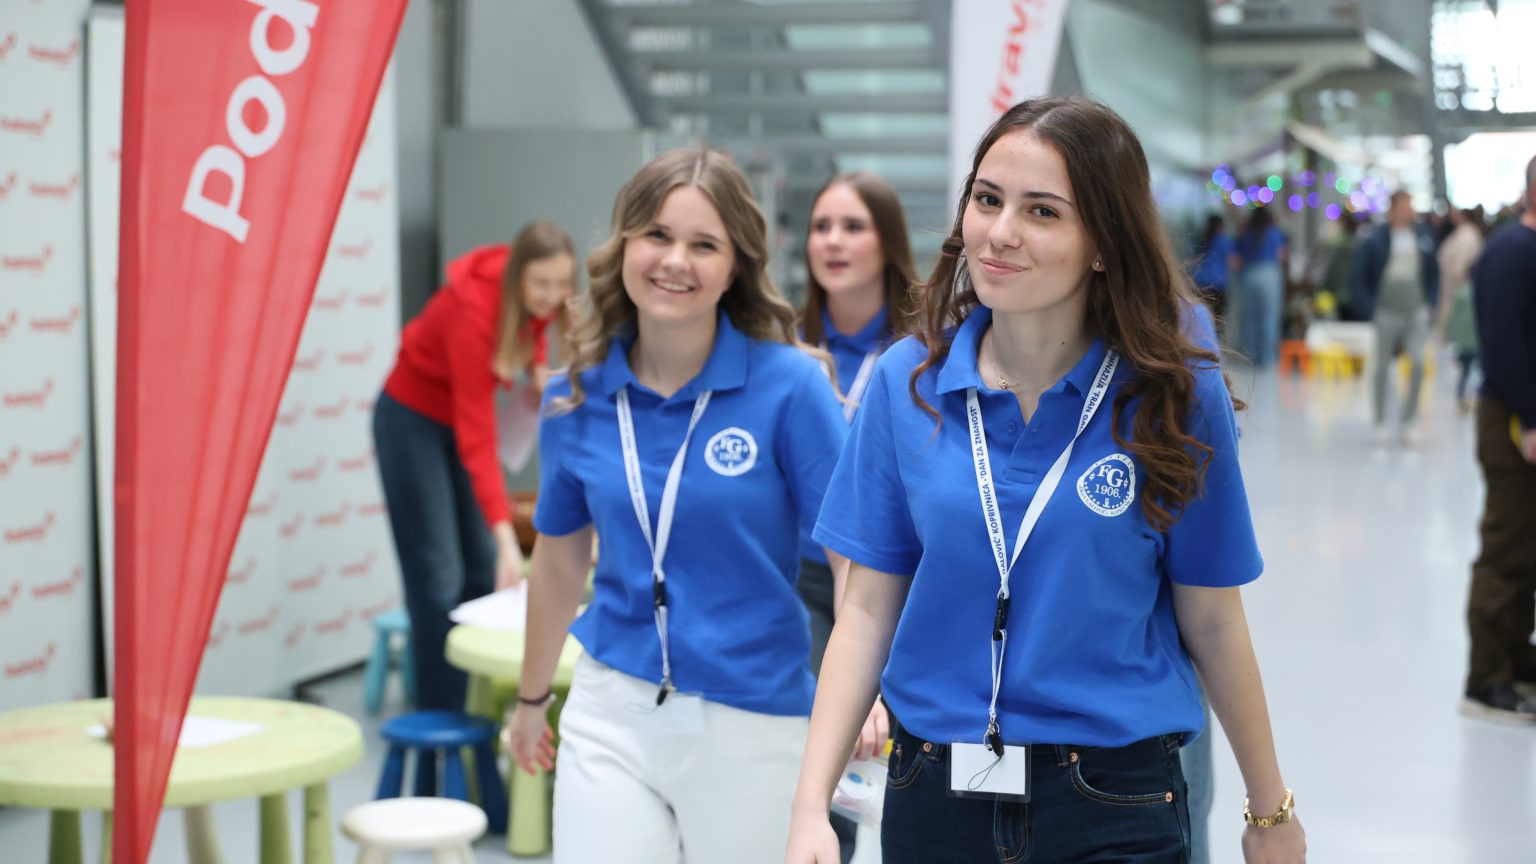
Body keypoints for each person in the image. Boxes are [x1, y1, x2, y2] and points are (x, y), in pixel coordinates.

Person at [784, 97, 1305, 864]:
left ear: (1103, 243)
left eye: (1043, 212)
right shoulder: (908, 382)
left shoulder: (1171, 395)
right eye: (987, 200)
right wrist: (810, 808)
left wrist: (1270, 811)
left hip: (1114, 799)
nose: (1001, 233)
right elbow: (865, 611)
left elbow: (1215, 621)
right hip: (934, 791)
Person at [505, 147, 862, 864]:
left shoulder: (791, 386)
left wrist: (863, 693)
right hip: (613, 705)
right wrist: (532, 698)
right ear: (624, 245)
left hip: (753, 712)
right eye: (658, 236)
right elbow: (560, 561)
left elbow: (852, 561)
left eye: (704, 245)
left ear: (735, 267)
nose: (675, 261)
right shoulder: (575, 395)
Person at [373, 222, 576, 712]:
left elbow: (534, 325)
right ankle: (444, 716)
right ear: (518, 278)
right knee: (438, 578)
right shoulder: (474, 314)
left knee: (480, 570)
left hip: (454, 423)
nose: (551, 297)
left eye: (562, 285)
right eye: (541, 285)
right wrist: (507, 539)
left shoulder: (532, 299)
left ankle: (476, 703)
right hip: (411, 421)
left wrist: (535, 369)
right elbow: (478, 438)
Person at [796, 171, 919, 863]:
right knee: (825, 747)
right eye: (821, 227)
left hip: (895, 584)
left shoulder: (924, 352)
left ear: (887, 241)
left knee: (895, 760)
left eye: (852, 226)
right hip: (802, 577)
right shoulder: (786, 348)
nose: (832, 242)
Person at [1461, 155, 1536, 723]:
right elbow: (1505, 345)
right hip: (1513, 421)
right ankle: (1486, 681)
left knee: (1526, 550)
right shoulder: (1512, 251)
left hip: (1523, 418)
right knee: (1507, 548)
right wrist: (1530, 421)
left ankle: (1516, 660)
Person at [1349, 190, 1441, 446]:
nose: (1408, 211)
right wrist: (1369, 308)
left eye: (1410, 206)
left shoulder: (1423, 236)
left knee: (1418, 363)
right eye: (1403, 206)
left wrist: (1430, 303)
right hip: (1386, 310)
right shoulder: (1376, 239)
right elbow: (1359, 275)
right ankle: (1380, 420)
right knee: (1380, 368)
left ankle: (1409, 420)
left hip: (1414, 310)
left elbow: (1433, 272)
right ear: (1392, 209)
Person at [1436, 207, 1485, 412]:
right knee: (1466, 352)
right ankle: (1465, 393)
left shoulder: (1469, 236)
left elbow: (1464, 266)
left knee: (1470, 352)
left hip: (1465, 298)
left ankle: (1470, 393)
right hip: (1456, 295)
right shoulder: (1460, 235)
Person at [1233, 205, 1288, 367]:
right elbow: (1281, 255)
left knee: (1249, 319)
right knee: (1269, 317)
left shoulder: (1246, 233)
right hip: (1269, 274)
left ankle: (1250, 357)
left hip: (1249, 275)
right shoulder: (1274, 233)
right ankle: (1268, 358)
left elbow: (1237, 258)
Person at [1191, 213, 1234, 342]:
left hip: (1199, 283)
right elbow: (1232, 261)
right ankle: (1214, 344)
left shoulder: (1202, 240)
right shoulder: (1222, 240)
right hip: (1217, 285)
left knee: (1202, 319)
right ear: (1220, 226)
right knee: (1217, 320)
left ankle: (1201, 343)